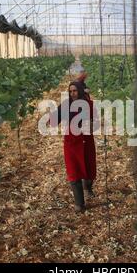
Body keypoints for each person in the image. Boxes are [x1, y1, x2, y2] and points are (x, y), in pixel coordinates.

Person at [49, 81, 97, 213]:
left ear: (80, 91)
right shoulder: (65, 105)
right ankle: (79, 204)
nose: (72, 93)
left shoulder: (89, 105)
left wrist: (89, 126)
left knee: (89, 168)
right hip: (71, 142)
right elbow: (53, 121)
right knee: (74, 171)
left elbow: (96, 122)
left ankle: (88, 187)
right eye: (70, 91)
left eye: (75, 91)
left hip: (86, 142)